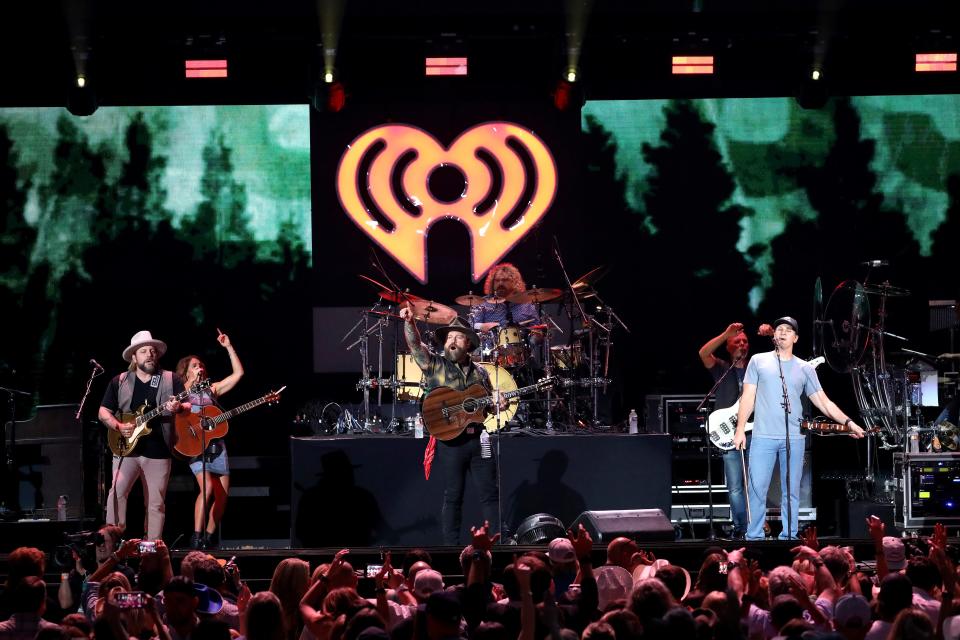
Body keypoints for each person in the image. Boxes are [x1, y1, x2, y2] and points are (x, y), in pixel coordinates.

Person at [733, 317, 864, 540]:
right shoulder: (758, 361)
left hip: (793, 438)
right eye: (779, 329)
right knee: (756, 490)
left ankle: (789, 537)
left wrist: (848, 422)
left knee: (791, 492)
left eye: (788, 330)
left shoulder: (804, 368)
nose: (783, 332)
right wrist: (739, 429)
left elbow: (824, 402)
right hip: (763, 437)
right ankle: (754, 537)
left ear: (796, 338)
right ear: (773, 336)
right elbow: (748, 397)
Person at [400, 307, 506, 545]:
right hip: (450, 442)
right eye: (449, 338)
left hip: (478, 441)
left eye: (458, 337)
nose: (452, 341)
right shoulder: (434, 364)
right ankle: (451, 550)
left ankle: (496, 547)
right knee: (453, 497)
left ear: (468, 343)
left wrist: (498, 402)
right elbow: (416, 346)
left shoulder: (480, 372)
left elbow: (485, 408)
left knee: (490, 495)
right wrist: (409, 323)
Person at [98, 330, 189, 541]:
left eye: (153, 351)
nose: (150, 354)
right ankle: (113, 542)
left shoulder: (169, 379)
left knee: (156, 503)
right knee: (116, 494)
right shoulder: (119, 381)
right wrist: (118, 426)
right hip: (125, 450)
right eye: (144, 351)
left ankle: (152, 548)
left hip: (158, 451)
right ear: (134, 357)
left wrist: (178, 407)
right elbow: (103, 412)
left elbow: (187, 404)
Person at [175, 329, 244, 549]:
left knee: (222, 495)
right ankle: (195, 537)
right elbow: (175, 404)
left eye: (201, 365)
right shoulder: (181, 391)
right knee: (207, 488)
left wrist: (229, 347)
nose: (200, 368)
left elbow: (238, 374)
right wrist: (190, 384)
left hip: (217, 445)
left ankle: (208, 537)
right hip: (195, 445)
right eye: (194, 366)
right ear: (185, 372)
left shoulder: (211, 391)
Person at [698, 322, 751, 539]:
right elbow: (703, 352)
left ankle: (755, 527)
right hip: (729, 434)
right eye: (736, 341)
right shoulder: (721, 368)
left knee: (756, 484)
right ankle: (741, 528)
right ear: (728, 347)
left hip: (753, 432)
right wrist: (724, 334)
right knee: (736, 487)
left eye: (745, 341)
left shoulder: (756, 368)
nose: (742, 343)